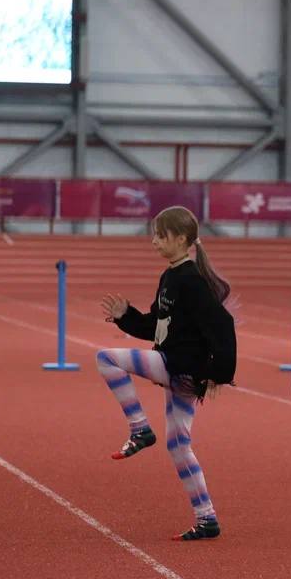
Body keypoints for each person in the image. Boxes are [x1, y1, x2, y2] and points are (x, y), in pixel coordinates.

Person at [97, 205, 237, 542]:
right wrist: (125, 317)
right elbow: (156, 327)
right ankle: (207, 519)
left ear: (182, 239)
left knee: (106, 358)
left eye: (161, 236)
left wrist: (217, 373)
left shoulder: (191, 280)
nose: (154, 242)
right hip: (174, 366)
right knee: (178, 445)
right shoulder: (170, 277)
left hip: (181, 368)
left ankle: (140, 429)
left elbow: (223, 325)